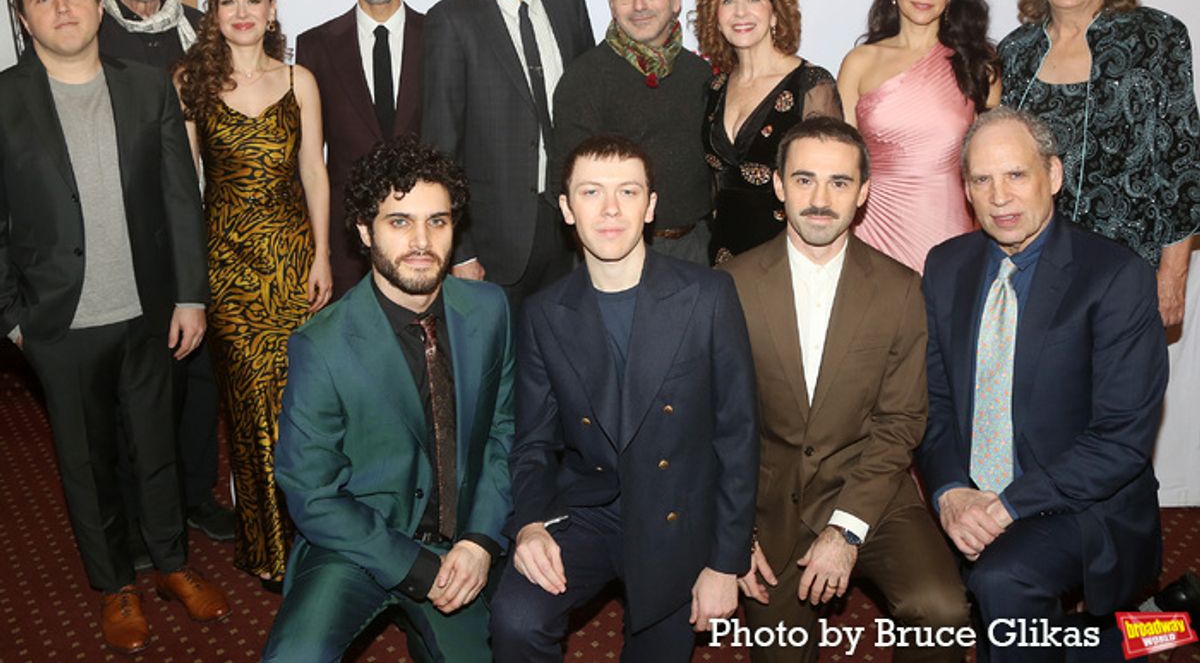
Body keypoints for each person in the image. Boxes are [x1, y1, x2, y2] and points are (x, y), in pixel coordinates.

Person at [0, 0, 230, 655]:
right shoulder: (4, 100)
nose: (62, 8)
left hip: (149, 311)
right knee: (87, 460)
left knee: (157, 448)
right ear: (24, 17)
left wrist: (190, 296)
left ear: (97, 4)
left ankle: (171, 563)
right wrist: (12, 318)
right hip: (57, 322)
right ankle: (115, 584)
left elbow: (180, 198)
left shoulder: (146, 87)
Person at [490, 135, 758, 662]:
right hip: (591, 510)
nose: (610, 209)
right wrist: (530, 524)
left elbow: (739, 436)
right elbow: (533, 443)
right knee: (516, 617)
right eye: (591, 192)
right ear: (567, 208)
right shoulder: (544, 312)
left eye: (628, 191)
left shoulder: (708, 295)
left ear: (650, 206)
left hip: (676, 516)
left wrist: (726, 562)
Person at [918, 107, 1168, 662]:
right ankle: (1141, 635)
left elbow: (1121, 440)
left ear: (1053, 175)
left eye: (1016, 174)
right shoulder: (945, 267)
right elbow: (934, 402)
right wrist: (951, 492)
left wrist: (1006, 507)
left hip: (1081, 503)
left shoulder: (1115, 276)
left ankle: (1142, 634)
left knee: (1002, 579)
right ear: (966, 190)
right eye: (982, 180)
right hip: (970, 493)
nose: (999, 197)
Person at [721, 117, 969, 663]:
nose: (820, 199)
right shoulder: (730, 286)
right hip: (768, 502)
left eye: (839, 182)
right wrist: (734, 532)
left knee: (942, 612)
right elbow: (713, 423)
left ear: (863, 192)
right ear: (779, 185)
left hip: (869, 489)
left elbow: (901, 422)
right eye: (804, 180)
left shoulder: (900, 289)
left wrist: (845, 530)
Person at [262, 136, 514, 663]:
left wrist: (479, 540)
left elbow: (503, 434)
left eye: (437, 221)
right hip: (355, 544)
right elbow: (311, 491)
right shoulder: (321, 345)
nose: (421, 241)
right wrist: (417, 567)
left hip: (460, 544)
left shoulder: (491, 310)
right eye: (399, 222)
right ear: (363, 230)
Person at [174, 0, 333, 583]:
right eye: (228, 1)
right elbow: (184, 187)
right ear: (214, 12)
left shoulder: (300, 80)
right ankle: (270, 548)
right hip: (227, 268)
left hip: (293, 261)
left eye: (253, 0)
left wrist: (322, 254)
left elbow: (314, 172)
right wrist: (190, 281)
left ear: (272, 10)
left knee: (301, 405)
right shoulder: (191, 83)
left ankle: (317, 540)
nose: (241, 12)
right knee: (247, 409)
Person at [95, 0, 236, 559]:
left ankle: (195, 494)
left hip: (202, 231)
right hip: (121, 242)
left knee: (200, 377)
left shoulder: (206, 32)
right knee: (135, 385)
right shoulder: (83, 33)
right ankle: (138, 515)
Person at [1000, 0, 1198, 327]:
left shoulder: (1155, 38)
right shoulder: (1016, 52)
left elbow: (1181, 162)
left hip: (1129, 267)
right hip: (1035, 268)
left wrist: (1174, 273)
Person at [422, 0, 593, 305]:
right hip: (495, 246)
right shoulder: (450, 20)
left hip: (575, 230)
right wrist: (460, 251)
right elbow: (440, 150)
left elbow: (590, 114)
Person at [838, 0, 1001, 273]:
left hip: (950, 229)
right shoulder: (859, 63)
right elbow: (842, 161)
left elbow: (990, 164)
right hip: (871, 228)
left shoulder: (978, 66)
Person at [552, 0, 712, 264]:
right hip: (616, 254)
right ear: (611, 2)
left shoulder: (701, 74)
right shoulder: (583, 80)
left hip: (698, 250)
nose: (639, 5)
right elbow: (566, 185)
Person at [296, 0, 425, 299]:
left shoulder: (440, 36)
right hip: (346, 244)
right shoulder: (315, 46)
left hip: (424, 237)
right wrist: (318, 249)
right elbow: (308, 160)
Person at [692, 0, 842, 264]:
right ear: (716, 16)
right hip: (722, 257)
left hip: (789, 257)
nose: (740, 12)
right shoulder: (714, 88)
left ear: (775, 13)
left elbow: (831, 180)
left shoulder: (810, 85)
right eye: (728, 1)